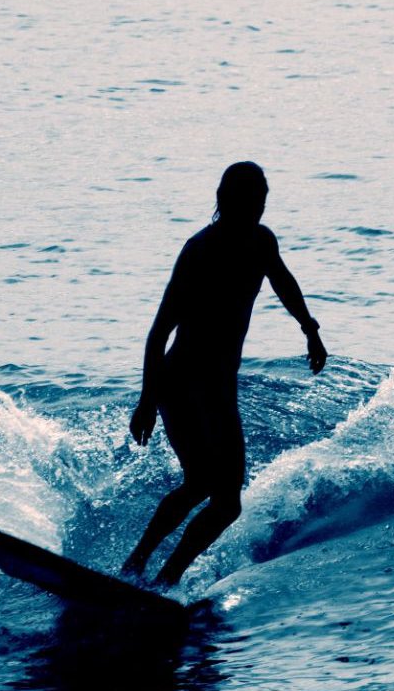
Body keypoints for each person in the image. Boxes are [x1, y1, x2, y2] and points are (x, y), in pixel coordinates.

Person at [122, 161, 327, 586]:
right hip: (180, 381)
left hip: (217, 384)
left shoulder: (261, 242)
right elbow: (160, 330)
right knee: (204, 486)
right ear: (226, 201)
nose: (256, 210)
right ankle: (142, 567)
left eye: (261, 203)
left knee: (219, 497)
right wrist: (146, 401)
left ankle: (160, 577)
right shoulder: (199, 250)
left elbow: (283, 282)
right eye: (249, 202)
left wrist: (310, 329)